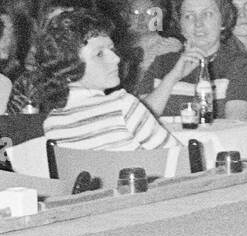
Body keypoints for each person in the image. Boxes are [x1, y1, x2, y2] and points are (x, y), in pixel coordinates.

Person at [39, 9, 182, 151]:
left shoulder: (52, 124)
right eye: (100, 54)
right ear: (70, 65)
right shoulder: (123, 106)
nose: (116, 58)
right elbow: (179, 160)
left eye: (111, 50)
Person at [136, 0, 247, 120]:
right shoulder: (161, 64)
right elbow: (139, 121)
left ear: (223, 21)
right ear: (180, 26)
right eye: (189, 16)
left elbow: (235, 125)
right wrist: (172, 77)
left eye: (207, 14)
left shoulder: (241, 65)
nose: (198, 23)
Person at [120, 0, 181, 94]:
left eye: (149, 13)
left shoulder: (169, 47)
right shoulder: (120, 50)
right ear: (127, 17)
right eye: (135, 13)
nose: (141, 19)